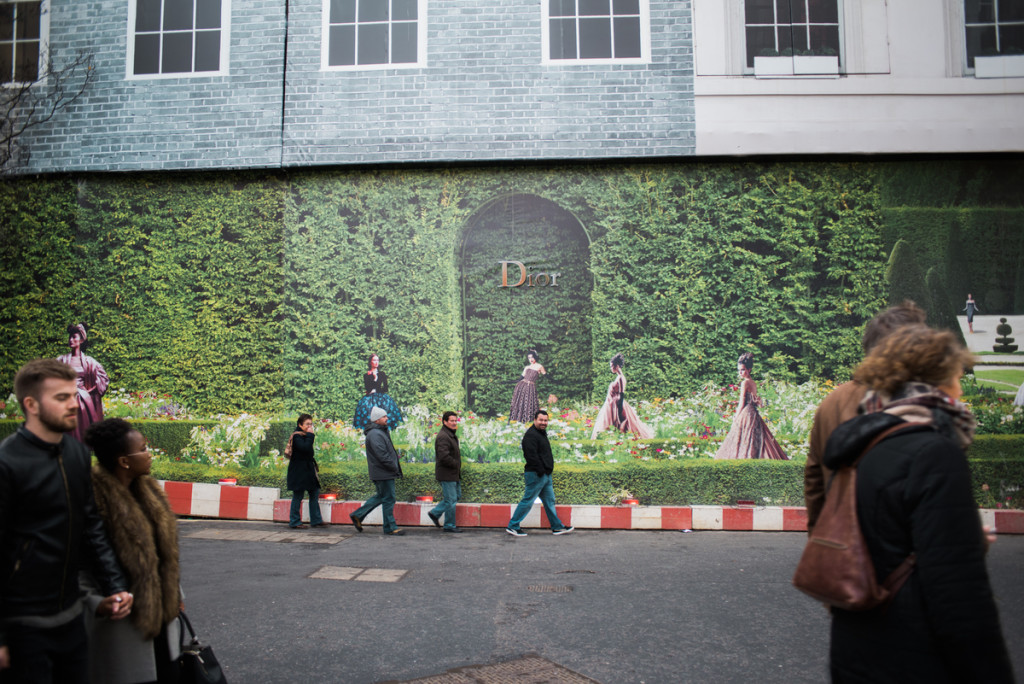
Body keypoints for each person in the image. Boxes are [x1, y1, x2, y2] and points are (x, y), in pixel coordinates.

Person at [824, 325, 1014, 682]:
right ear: (937, 383)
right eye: (957, 379)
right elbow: (957, 594)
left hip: (856, 646)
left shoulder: (863, 443)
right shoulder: (934, 453)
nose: (960, 392)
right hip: (913, 652)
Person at [0, 359, 133, 683]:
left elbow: (91, 526)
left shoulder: (76, 452)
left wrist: (115, 587)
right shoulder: (7, 463)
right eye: (61, 398)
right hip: (24, 625)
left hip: (71, 617)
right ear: (30, 404)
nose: (74, 404)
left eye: (73, 395)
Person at [804, 301, 927, 533]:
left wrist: (821, 540)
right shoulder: (923, 405)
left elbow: (815, 481)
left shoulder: (833, 401)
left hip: (843, 543)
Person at [82, 418, 182, 684]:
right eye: (144, 448)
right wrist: (95, 604)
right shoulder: (92, 498)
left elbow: (164, 554)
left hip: (164, 616)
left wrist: (176, 592)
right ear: (124, 461)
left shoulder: (149, 490)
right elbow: (75, 562)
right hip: (121, 622)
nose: (150, 454)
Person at [505, 410, 574, 537]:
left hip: (544, 475)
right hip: (536, 474)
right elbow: (530, 456)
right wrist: (541, 471)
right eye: (541, 420)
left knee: (549, 501)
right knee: (528, 500)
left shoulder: (540, 433)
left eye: (545, 420)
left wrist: (546, 471)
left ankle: (557, 527)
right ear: (535, 420)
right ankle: (513, 526)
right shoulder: (531, 435)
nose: (543, 422)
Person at [713, 352, 788, 460]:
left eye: (743, 370)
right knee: (756, 439)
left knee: (743, 439)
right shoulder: (753, 383)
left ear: (749, 369)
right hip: (753, 413)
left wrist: (736, 417)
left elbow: (741, 402)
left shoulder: (745, 383)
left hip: (746, 413)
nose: (740, 373)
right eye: (739, 370)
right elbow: (755, 400)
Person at [350, 406, 405, 536]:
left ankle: (358, 515)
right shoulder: (375, 434)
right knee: (389, 499)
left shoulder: (378, 432)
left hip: (382, 472)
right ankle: (390, 527)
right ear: (376, 420)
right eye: (384, 417)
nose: (387, 418)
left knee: (382, 497)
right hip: (383, 472)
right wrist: (393, 466)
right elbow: (382, 455)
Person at [56, 322, 109, 442]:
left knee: (82, 419)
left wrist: (90, 391)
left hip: (83, 398)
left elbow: (103, 378)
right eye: (70, 337)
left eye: (74, 337)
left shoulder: (89, 361)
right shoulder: (61, 360)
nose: (71, 340)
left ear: (81, 340)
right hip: (66, 396)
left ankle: (84, 443)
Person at [590, 353, 653, 439]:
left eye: (612, 366)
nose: (611, 368)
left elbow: (621, 393)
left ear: (616, 366)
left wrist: (619, 408)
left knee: (620, 423)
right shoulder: (619, 377)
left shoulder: (620, 378)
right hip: (612, 403)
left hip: (616, 404)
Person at [285, 413, 324, 529]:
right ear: (300, 425)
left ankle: (316, 520)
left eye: (311, 424)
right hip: (299, 471)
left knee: (314, 492)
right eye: (307, 424)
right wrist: (311, 436)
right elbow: (305, 448)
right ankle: (294, 521)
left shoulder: (304, 435)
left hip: (307, 470)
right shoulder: (297, 436)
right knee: (298, 495)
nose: (309, 426)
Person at [428, 411, 464, 533]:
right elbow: (443, 456)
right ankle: (449, 525)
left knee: (456, 496)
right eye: (451, 421)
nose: (454, 423)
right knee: (451, 500)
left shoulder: (450, 434)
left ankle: (435, 513)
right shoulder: (443, 436)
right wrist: (455, 464)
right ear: (444, 422)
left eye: (455, 421)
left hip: (453, 473)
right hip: (447, 473)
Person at [352, 353, 403, 430]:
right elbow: (368, 388)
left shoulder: (382, 374)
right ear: (370, 362)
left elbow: (385, 388)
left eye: (377, 360)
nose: (376, 362)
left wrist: (376, 385)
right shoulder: (366, 375)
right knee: (368, 414)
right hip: (369, 399)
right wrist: (374, 379)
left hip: (382, 397)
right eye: (374, 360)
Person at [508, 349, 545, 422]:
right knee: (519, 402)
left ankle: (528, 420)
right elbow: (520, 379)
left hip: (531, 387)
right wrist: (508, 382)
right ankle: (517, 420)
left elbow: (546, 375)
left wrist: (556, 381)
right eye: (529, 358)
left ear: (535, 357)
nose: (531, 359)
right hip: (521, 386)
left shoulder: (539, 366)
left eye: (532, 357)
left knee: (529, 403)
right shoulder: (527, 367)